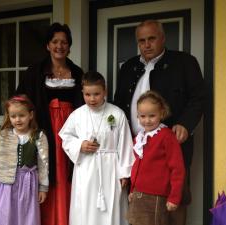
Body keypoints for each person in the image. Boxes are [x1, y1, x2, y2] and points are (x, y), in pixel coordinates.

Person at [114, 20, 206, 225]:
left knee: (175, 201)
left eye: (151, 39)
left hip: (171, 143)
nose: (146, 44)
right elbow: (119, 103)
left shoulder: (184, 62)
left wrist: (185, 124)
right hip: (136, 147)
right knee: (141, 206)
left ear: (163, 38)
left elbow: (199, 97)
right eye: (141, 40)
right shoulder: (129, 66)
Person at [16, 22, 84, 225]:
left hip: (70, 130)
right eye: (55, 41)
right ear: (48, 45)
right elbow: (19, 100)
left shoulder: (78, 72)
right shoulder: (34, 71)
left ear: (69, 46)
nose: (59, 46)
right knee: (45, 170)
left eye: (64, 42)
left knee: (66, 173)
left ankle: (65, 218)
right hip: (44, 127)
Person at [59, 71, 134, 225]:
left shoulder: (117, 114)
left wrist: (125, 173)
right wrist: (80, 145)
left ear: (105, 91)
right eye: (87, 94)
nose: (92, 99)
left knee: (111, 208)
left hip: (111, 170)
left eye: (96, 94)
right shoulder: (77, 115)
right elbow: (66, 138)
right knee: (86, 208)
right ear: (82, 93)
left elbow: (125, 143)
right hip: (86, 169)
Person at [0, 95, 49, 225]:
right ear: (8, 116)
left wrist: (43, 188)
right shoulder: (4, 135)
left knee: (26, 217)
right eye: (13, 116)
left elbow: (44, 164)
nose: (17, 120)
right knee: (3, 216)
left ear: (30, 115)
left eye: (22, 115)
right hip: (6, 185)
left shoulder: (39, 136)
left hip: (28, 185)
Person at [126, 90, 185, 225]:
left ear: (161, 113)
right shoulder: (139, 138)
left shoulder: (166, 136)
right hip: (138, 195)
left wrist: (174, 197)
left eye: (152, 115)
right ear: (138, 116)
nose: (147, 120)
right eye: (142, 116)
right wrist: (132, 190)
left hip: (156, 197)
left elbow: (177, 169)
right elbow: (136, 167)